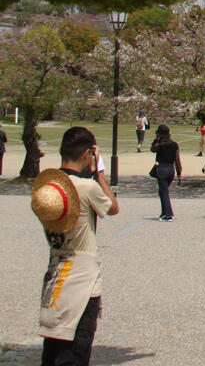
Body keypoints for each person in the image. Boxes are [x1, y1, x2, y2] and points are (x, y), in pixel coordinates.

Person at [32, 126, 119, 364]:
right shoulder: (86, 187)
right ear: (87, 154)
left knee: (53, 348)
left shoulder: (47, 189)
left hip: (56, 269)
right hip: (81, 275)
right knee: (76, 349)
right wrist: (99, 173)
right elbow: (112, 207)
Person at [150, 124, 182, 221]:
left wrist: (156, 139)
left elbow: (153, 149)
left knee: (164, 192)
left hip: (162, 169)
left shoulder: (159, 145)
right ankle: (163, 213)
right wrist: (179, 173)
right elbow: (177, 160)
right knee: (162, 191)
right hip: (171, 169)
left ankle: (168, 214)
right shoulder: (174, 145)